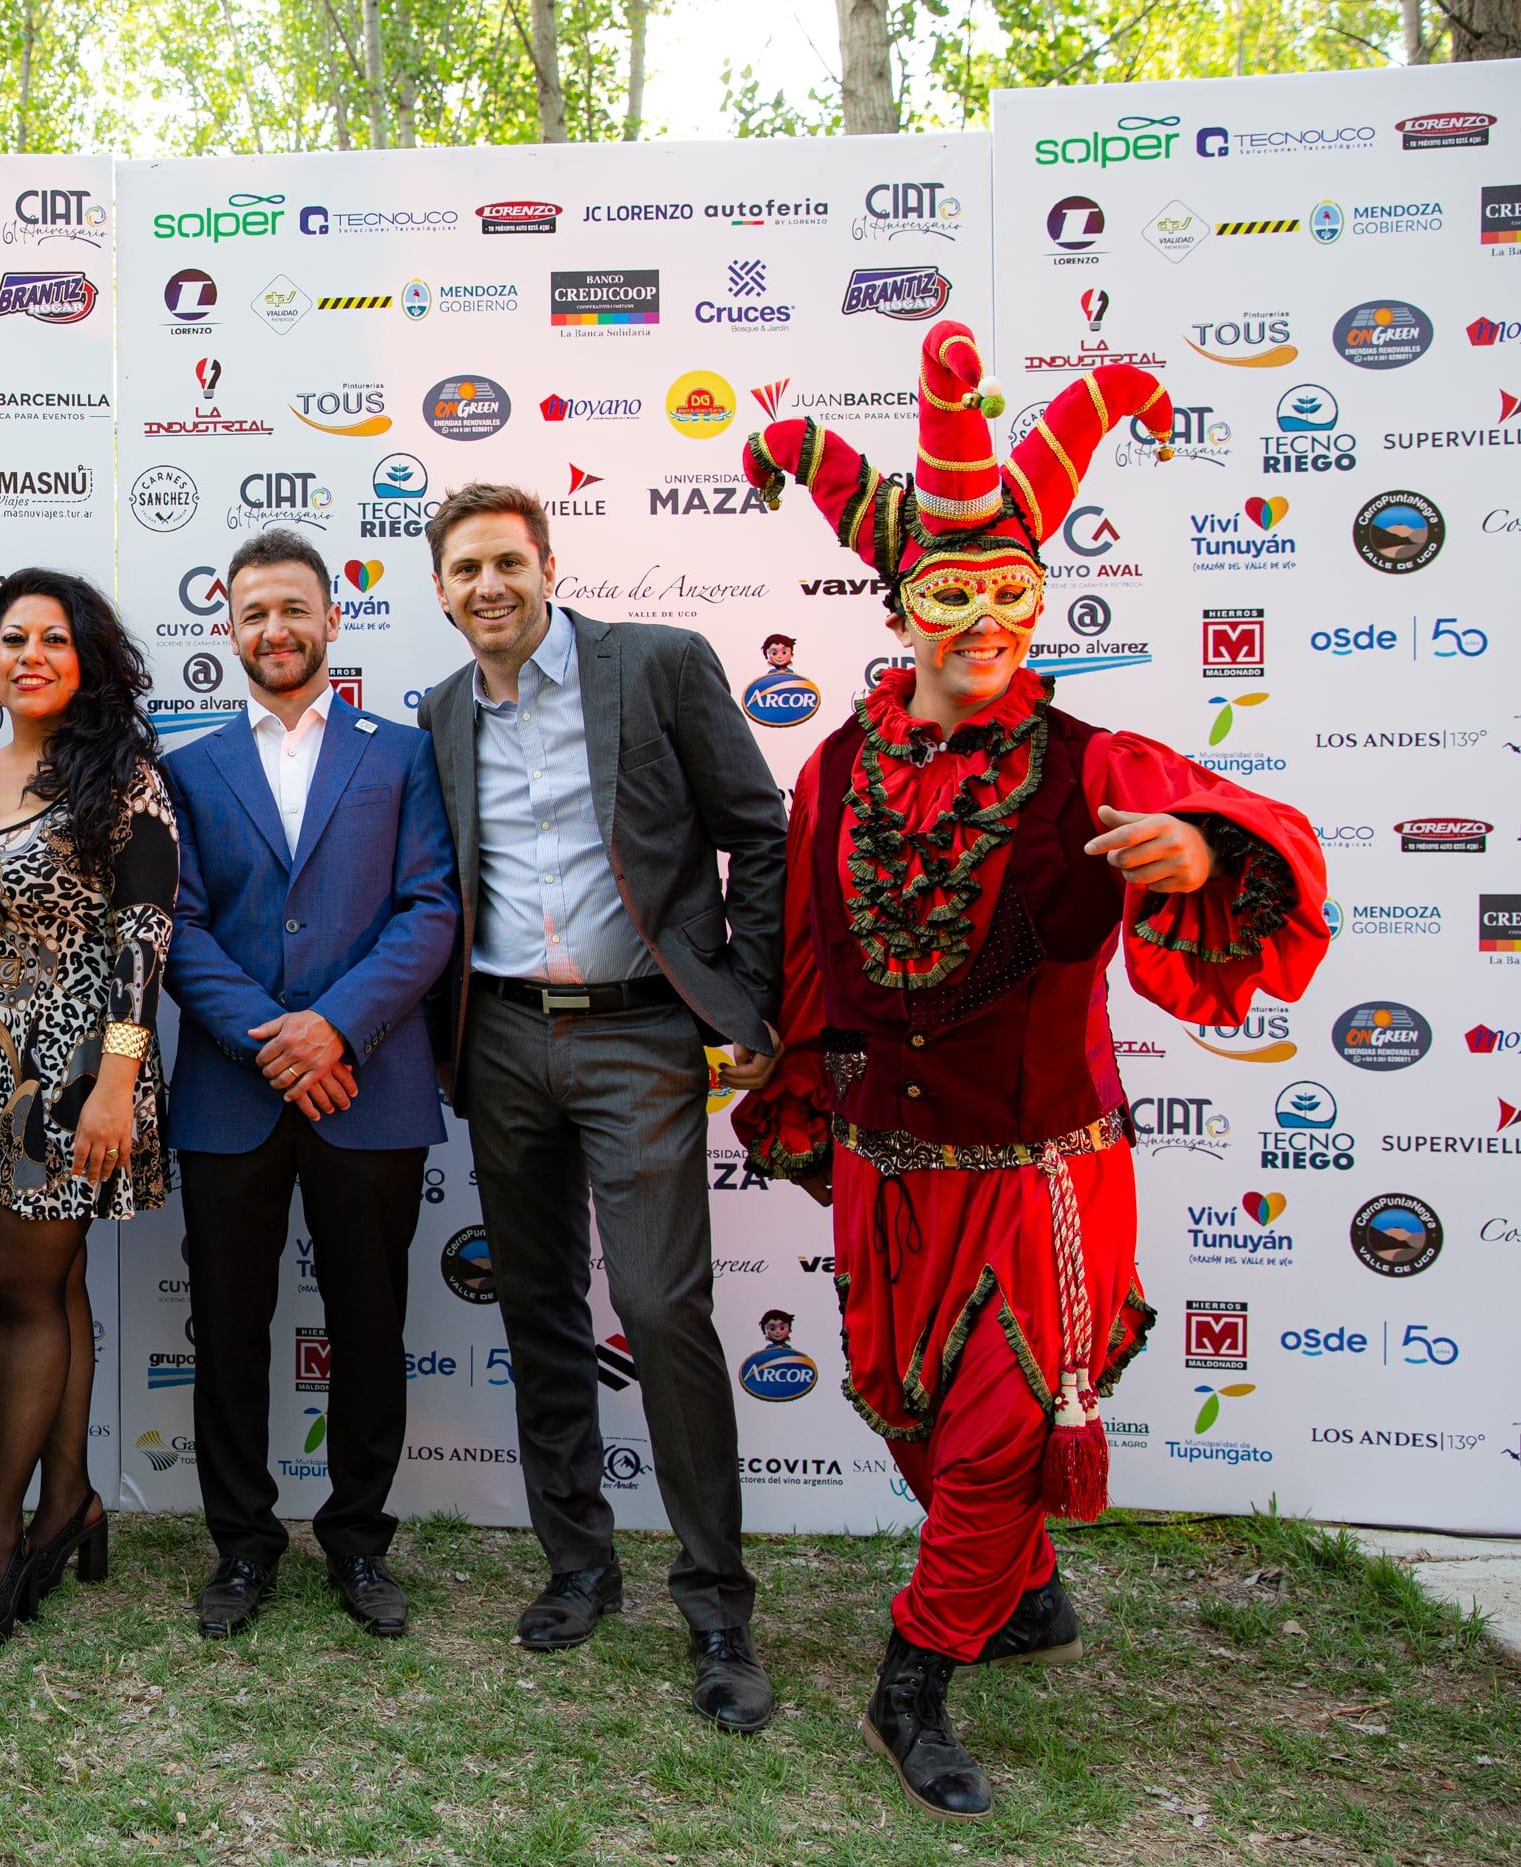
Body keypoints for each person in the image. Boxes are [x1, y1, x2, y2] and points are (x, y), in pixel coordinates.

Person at [730, 320, 1330, 1820]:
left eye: (1010, 589)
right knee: (911, 1412)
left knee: (1005, 1422)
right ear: (901, 602)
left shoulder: (1091, 756)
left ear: (1038, 596)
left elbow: (1249, 836)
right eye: (952, 591)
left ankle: (911, 1680)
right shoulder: (835, 770)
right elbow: (813, 947)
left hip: (1044, 1172)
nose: (983, 616)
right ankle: (1032, 1590)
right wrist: (798, 1076)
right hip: (887, 1163)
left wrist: (1197, 852)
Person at [413, 481, 787, 1733]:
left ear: (547, 563)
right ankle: (579, 1564)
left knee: (660, 1303)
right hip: (503, 1038)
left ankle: (717, 1606)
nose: (488, 588)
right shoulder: (438, 713)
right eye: (464, 571)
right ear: (440, 590)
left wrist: (744, 999)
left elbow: (760, 830)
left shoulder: (660, 666)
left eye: (506, 563)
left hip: (641, 1029)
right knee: (538, 1309)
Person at [159, 528, 457, 1639]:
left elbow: (430, 907)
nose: (273, 630)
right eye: (251, 614)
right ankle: (241, 1545)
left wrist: (333, 1028)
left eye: (293, 609)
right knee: (227, 1328)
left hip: (367, 1086)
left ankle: (360, 1541)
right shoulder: (184, 768)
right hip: (232, 1100)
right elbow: (175, 925)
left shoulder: (404, 752)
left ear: (333, 618)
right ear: (227, 630)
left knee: (370, 1324)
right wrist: (265, 1037)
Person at [0, 568, 175, 1651]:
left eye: (52, 639)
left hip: (72, 1075)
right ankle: (74, 1505)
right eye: (11, 636)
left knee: (15, 1288)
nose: (29, 654)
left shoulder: (123, 779)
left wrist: (115, 1082)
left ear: (86, 658)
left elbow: (143, 939)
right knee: (49, 1282)